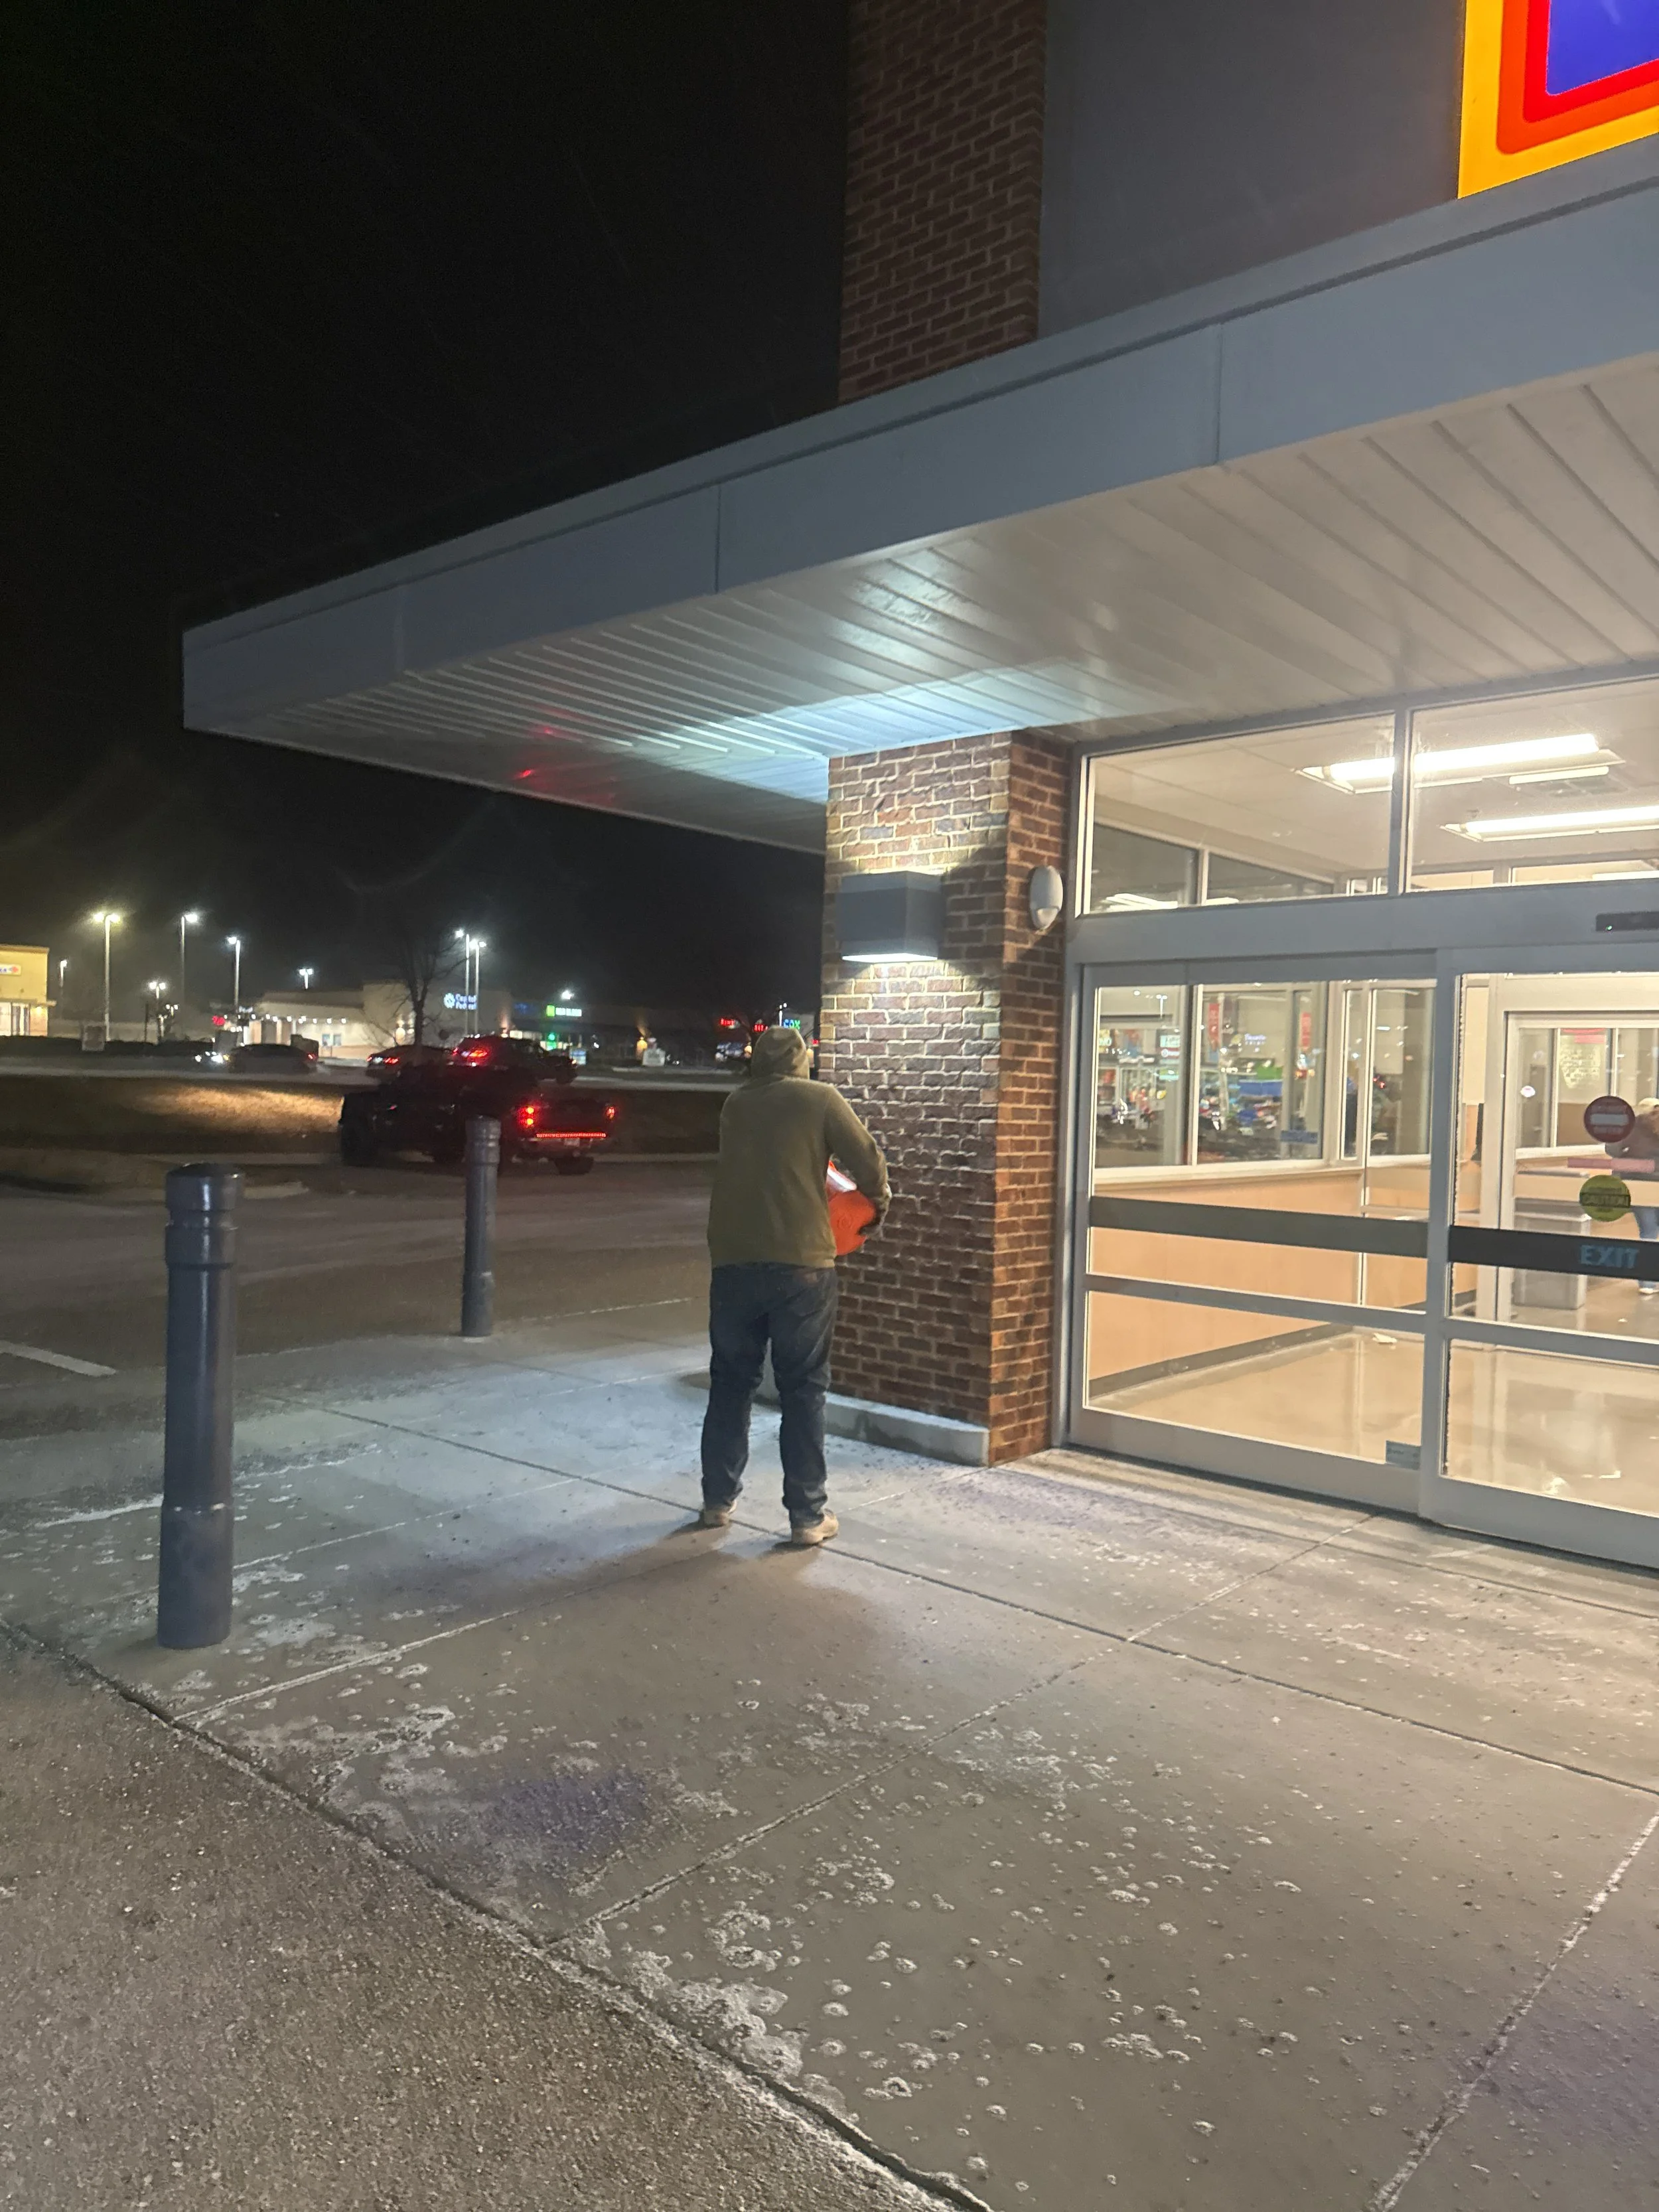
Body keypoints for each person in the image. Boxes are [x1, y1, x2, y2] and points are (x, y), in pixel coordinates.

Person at [698, 1025, 889, 1544]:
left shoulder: (736, 1104)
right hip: (801, 1261)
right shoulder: (819, 1098)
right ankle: (806, 1515)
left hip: (734, 1259)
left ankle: (718, 1500)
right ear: (803, 1060)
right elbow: (866, 1155)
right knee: (803, 1388)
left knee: (731, 1382)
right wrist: (879, 1201)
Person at [1609, 1097, 1659, 1295]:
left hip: (1637, 1185)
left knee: (1647, 1232)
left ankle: (1647, 1283)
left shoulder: (1629, 1127)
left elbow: (1611, 1149)